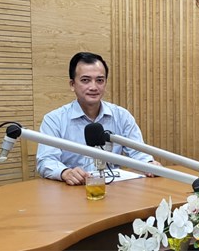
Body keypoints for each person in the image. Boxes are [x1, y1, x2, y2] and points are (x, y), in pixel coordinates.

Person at [36, 52, 161, 185]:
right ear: (72, 84)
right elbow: (46, 160)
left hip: (113, 189)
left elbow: (138, 153)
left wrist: (149, 163)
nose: (93, 87)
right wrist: (65, 172)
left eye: (99, 80)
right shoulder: (54, 120)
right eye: (85, 80)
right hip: (72, 189)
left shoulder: (121, 116)